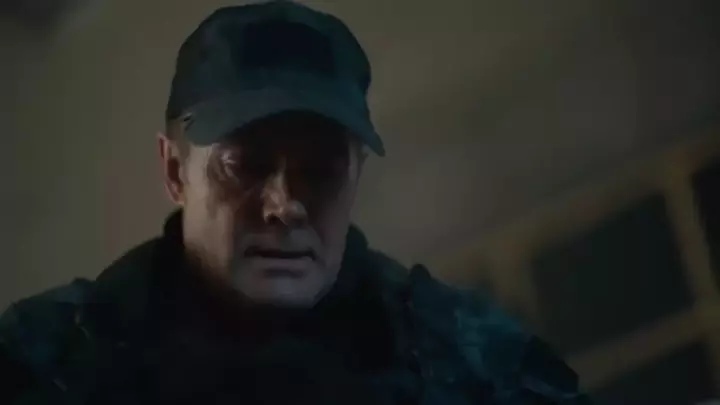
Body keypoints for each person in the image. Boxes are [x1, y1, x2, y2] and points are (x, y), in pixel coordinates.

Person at [0, 1, 591, 404]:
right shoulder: (43, 363)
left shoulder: (475, 366)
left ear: (355, 176)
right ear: (175, 171)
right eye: (244, 166)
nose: (285, 206)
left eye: (321, 170)